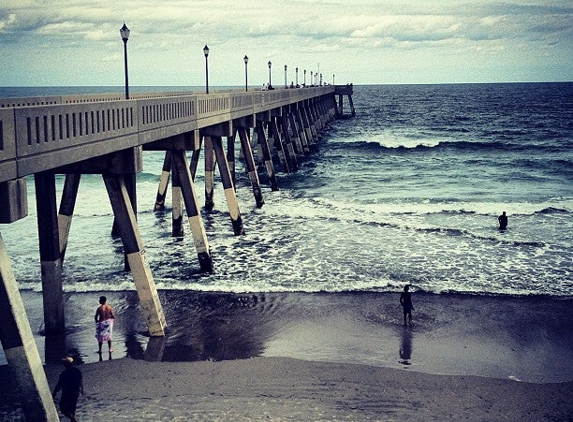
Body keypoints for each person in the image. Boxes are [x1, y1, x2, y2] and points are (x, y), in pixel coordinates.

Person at [53, 357, 84, 422]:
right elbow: (80, 380)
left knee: (63, 408)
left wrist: (54, 392)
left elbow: (59, 384)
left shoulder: (64, 374)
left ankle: (73, 419)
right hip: (76, 391)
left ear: (65, 365)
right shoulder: (77, 371)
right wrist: (82, 389)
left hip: (67, 393)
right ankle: (72, 419)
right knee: (72, 407)